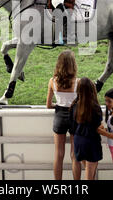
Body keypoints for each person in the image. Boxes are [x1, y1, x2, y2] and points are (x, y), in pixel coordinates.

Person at [46, 50, 81, 180]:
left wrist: (58, 105)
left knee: (58, 154)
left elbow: (48, 105)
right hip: (75, 117)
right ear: (73, 64)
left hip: (59, 115)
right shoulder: (78, 82)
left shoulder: (52, 81)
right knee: (74, 154)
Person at [70, 77, 102, 180]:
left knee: (89, 171)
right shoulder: (95, 107)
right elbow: (98, 126)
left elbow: (72, 127)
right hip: (91, 142)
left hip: (79, 141)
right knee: (90, 173)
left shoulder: (74, 105)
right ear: (92, 89)